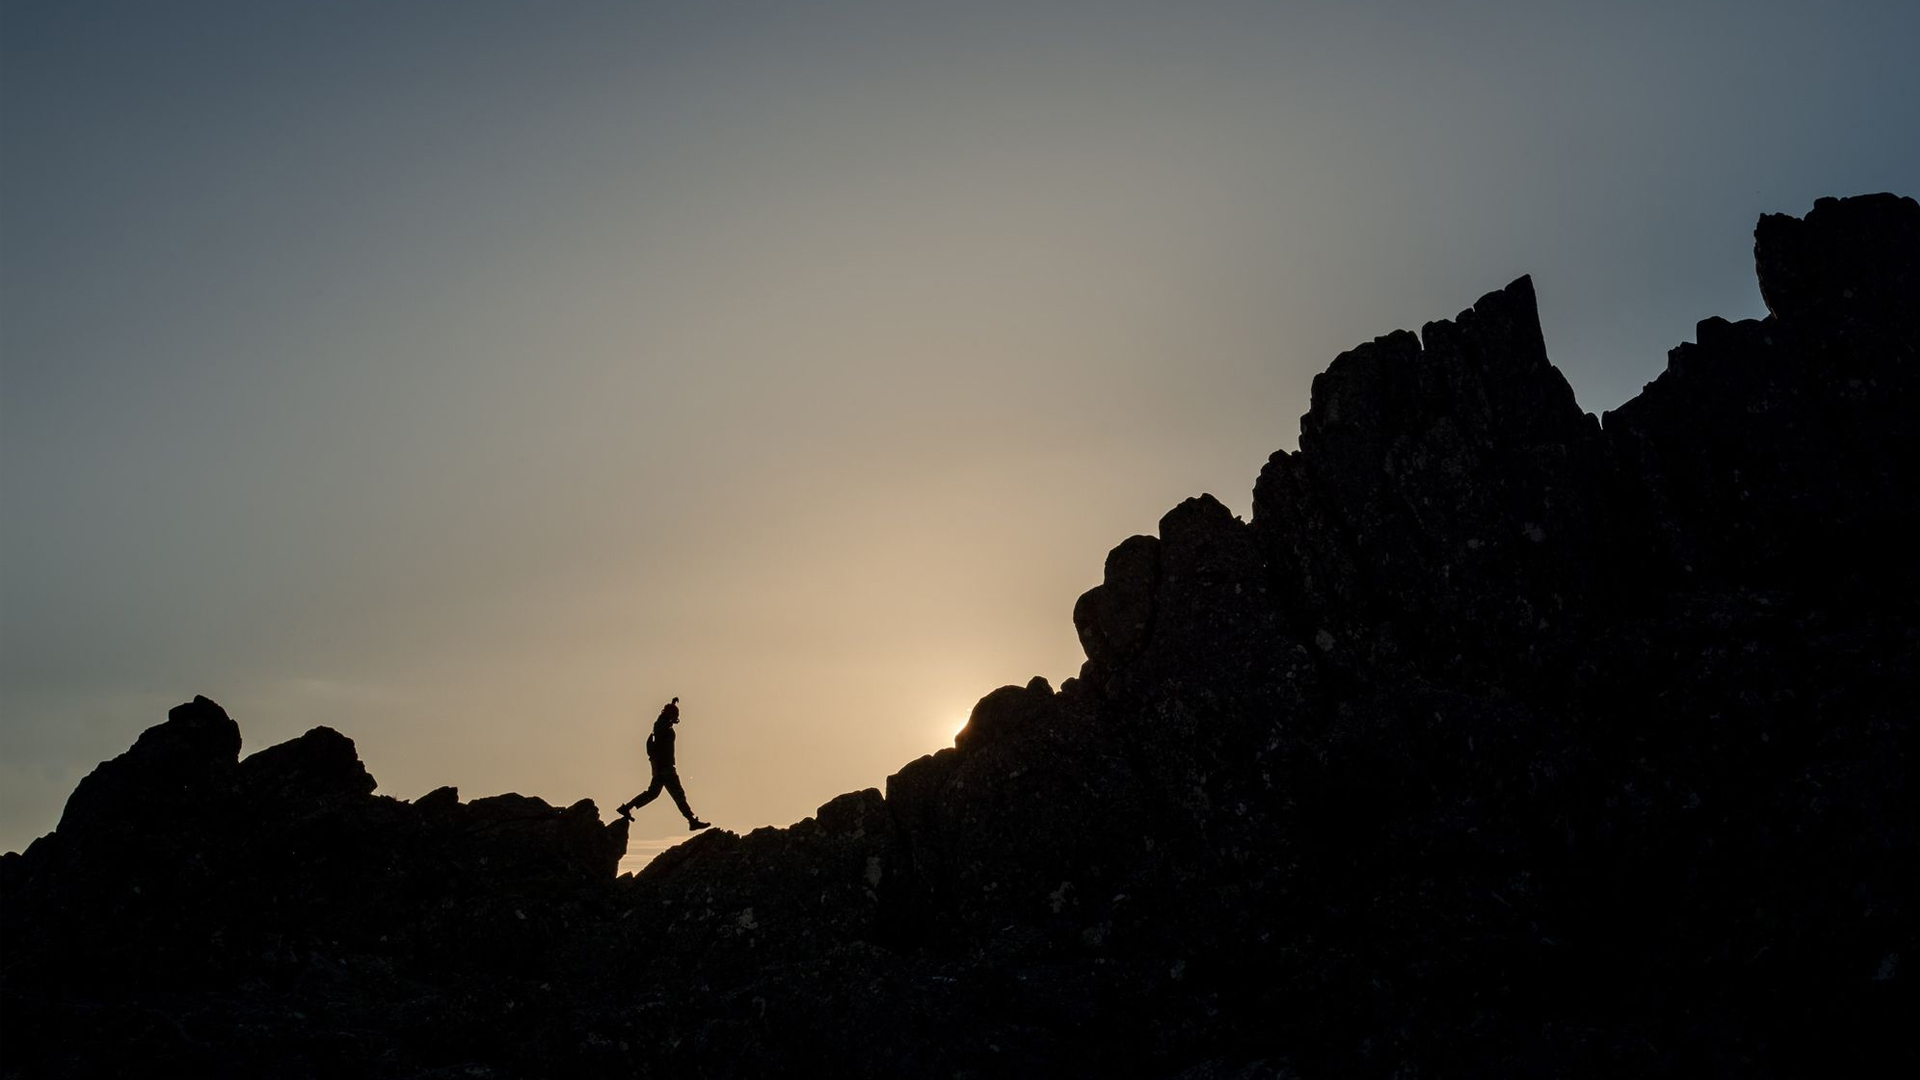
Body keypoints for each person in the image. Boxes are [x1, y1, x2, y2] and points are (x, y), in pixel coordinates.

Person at [617, 697, 710, 831]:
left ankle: (626, 808)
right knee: (678, 794)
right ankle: (691, 820)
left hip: (660, 767)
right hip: (665, 767)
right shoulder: (662, 725)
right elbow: (662, 731)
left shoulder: (662, 723)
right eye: (675, 715)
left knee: (653, 793)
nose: (676, 718)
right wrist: (670, 709)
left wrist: (671, 705)